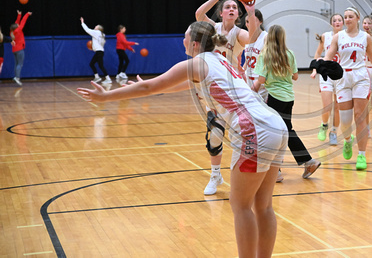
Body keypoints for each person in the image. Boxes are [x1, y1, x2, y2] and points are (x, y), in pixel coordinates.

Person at [77, 21, 288, 258]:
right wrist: (155, 88)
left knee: (240, 206)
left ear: (195, 43)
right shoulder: (219, 59)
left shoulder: (195, 63)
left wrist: (106, 97)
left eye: (185, 37)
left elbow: (149, 88)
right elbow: (178, 85)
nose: (182, 41)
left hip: (255, 130)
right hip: (276, 125)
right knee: (263, 206)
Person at [195, 0, 258, 195]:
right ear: (221, 13)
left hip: (233, 89)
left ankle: (248, 174)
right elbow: (198, 14)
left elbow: (254, 38)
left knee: (240, 135)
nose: (231, 9)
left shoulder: (239, 33)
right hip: (212, 89)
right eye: (227, 7)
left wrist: (250, 11)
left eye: (234, 8)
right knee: (214, 135)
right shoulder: (213, 28)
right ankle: (215, 175)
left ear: (236, 15)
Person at [322, 7, 372, 170]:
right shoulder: (338, 37)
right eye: (345, 17)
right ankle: (347, 140)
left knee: (360, 116)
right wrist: (321, 65)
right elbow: (329, 55)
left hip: (361, 77)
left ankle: (362, 155)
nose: (347, 19)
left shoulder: (365, 37)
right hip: (343, 77)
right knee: (345, 122)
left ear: (357, 18)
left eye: (350, 16)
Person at [253, 25, 321, 180]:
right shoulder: (289, 54)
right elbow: (296, 77)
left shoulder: (265, 55)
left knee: (276, 133)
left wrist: (251, 91)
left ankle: (278, 170)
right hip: (289, 98)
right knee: (285, 131)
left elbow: (261, 80)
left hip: (275, 98)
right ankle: (305, 162)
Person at [312, 14, 344, 145]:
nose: (337, 22)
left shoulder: (347, 37)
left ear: (343, 23)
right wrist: (315, 69)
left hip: (341, 75)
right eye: (334, 20)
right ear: (331, 24)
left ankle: (334, 132)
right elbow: (317, 54)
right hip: (326, 75)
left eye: (339, 20)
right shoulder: (325, 36)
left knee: (338, 107)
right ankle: (324, 125)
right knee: (327, 106)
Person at [244, 10, 268, 102]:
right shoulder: (247, 37)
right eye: (247, 21)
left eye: (252, 20)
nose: (249, 24)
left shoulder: (266, 37)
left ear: (261, 21)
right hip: (248, 80)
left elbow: (269, 62)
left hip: (260, 82)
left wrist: (259, 81)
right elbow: (248, 58)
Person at [81, 17, 112, 85]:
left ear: (98, 28)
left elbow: (87, 30)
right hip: (100, 51)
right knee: (93, 64)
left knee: (99, 65)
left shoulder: (96, 32)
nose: (95, 27)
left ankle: (107, 78)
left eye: (96, 26)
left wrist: (82, 23)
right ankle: (97, 77)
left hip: (99, 52)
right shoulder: (102, 35)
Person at [10, 10, 32, 86]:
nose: (18, 25)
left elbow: (16, 23)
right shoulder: (18, 30)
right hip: (19, 49)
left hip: (14, 50)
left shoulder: (12, 32)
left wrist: (19, 15)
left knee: (16, 64)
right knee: (20, 64)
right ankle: (17, 78)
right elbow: (23, 22)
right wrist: (27, 14)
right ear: (17, 27)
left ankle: (16, 76)